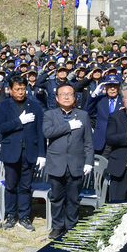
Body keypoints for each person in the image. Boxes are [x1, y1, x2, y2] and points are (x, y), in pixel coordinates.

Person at [43, 83, 95, 239]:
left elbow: (88, 142)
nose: (66, 97)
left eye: (70, 94)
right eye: (63, 95)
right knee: (56, 198)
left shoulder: (83, 115)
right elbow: (47, 132)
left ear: (75, 97)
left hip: (76, 163)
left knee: (73, 199)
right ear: (57, 98)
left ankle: (71, 226)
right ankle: (57, 226)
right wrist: (68, 126)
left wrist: (89, 162)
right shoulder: (49, 115)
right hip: (56, 163)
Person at [0, 75, 44, 231]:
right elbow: (0, 127)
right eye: (17, 89)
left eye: (23, 88)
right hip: (11, 151)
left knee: (25, 186)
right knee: (10, 186)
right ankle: (10, 215)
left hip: (29, 151)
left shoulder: (35, 106)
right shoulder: (3, 106)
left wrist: (42, 154)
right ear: (10, 90)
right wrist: (19, 121)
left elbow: (40, 131)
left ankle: (24, 216)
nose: (20, 92)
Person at [84, 74, 124, 154]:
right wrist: (94, 94)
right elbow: (86, 111)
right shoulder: (100, 99)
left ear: (119, 87)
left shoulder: (124, 100)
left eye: (115, 86)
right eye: (109, 86)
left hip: (119, 139)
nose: (112, 88)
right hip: (101, 139)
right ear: (105, 87)